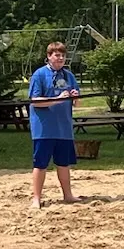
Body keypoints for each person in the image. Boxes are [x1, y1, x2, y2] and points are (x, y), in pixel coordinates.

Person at [27, 40, 82, 208]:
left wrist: (74, 97)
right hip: (44, 128)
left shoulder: (68, 75)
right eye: (57, 55)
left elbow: (77, 103)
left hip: (63, 128)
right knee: (40, 164)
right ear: (49, 56)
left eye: (63, 56)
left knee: (64, 163)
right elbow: (35, 101)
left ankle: (68, 195)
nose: (60, 59)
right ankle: (36, 198)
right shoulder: (39, 75)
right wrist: (57, 100)